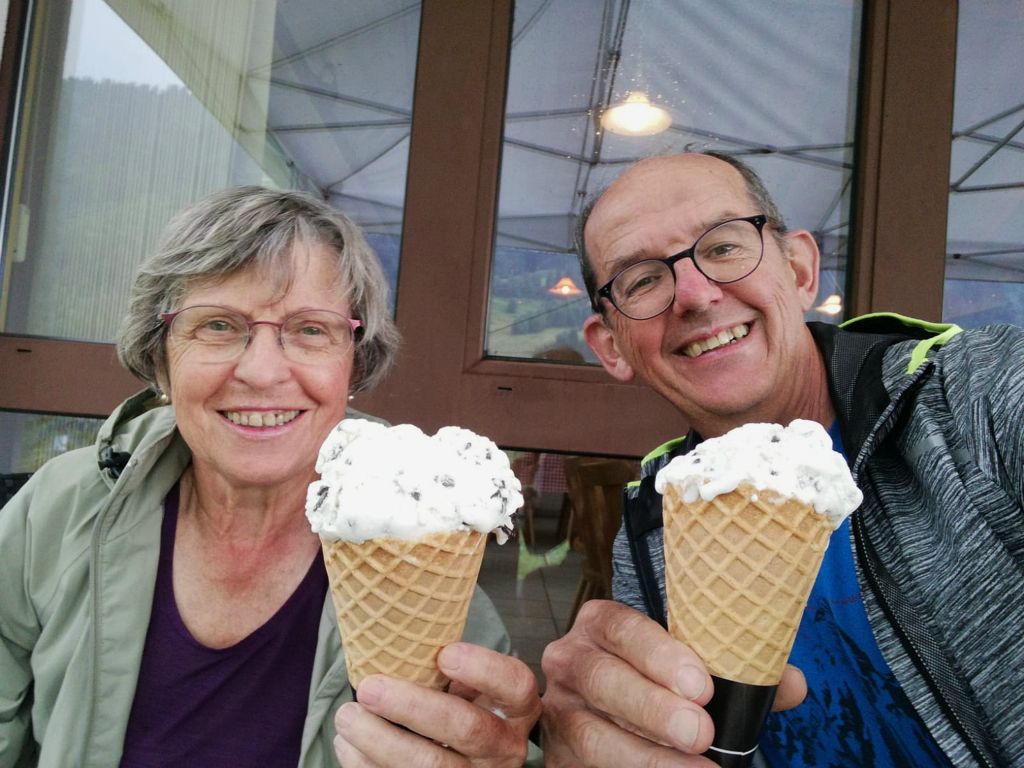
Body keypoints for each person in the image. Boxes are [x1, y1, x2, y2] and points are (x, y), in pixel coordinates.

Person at [0, 186, 542, 767]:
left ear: (353, 362)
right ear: (161, 357)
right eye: (217, 326)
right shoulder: (56, 509)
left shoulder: (432, 554)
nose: (261, 371)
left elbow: (485, 745)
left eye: (310, 329)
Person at [539, 151, 1024, 767]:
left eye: (722, 247)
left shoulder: (979, 396)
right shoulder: (657, 519)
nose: (693, 294)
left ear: (798, 269)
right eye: (642, 280)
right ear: (612, 347)